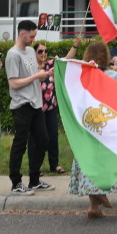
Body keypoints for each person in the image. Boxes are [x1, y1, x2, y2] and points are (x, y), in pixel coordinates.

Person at [70, 41, 117, 218]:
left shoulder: (81, 77)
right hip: (105, 126)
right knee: (104, 161)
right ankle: (100, 195)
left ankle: (94, 206)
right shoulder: (111, 75)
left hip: (86, 126)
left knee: (90, 162)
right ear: (105, 56)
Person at [6, 20, 53, 194]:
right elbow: (14, 84)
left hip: (35, 103)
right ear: (22, 34)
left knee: (43, 140)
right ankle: (16, 182)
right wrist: (35, 77)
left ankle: (34, 179)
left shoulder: (31, 51)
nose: (34, 39)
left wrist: (44, 75)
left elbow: (34, 76)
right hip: (21, 104)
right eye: (32, 36)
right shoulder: (13, 55)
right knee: (20, 143)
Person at [37, 37, 79, 175]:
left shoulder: (50, 64)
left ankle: (54, 164)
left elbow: (66, 59)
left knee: (53, 135)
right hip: (36, 109)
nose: (43, 53)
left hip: (50, 107)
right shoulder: (31, 67)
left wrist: (75, 45)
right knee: (38, 138)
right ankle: (35, 167)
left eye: (45, 51)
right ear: (34, 54)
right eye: (40, 51)